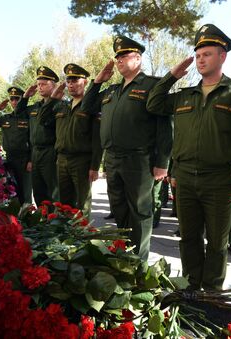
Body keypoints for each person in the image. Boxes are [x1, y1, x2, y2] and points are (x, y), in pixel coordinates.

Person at [146, 24, 231, 291]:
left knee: (218, 243)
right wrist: (172, 75)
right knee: (188, 238)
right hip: (184, 178)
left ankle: (212, 292)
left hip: (219, 179)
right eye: (198, 55)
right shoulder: (185, 95)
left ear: (222, 56)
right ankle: (190, 285)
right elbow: (153, 103)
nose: (200, 60)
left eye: (207, 54)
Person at [81, 36, 173, 260]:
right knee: (119, 209)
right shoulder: (111, 90)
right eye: (117, 57)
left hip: (139, 159)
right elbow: (87, 107)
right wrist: (97, 82)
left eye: (124, 55)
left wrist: (162, 163)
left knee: (140, 213)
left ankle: (139, 263)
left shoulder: (152, 85)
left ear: (138, 58)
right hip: (113, 159)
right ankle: (123, 256)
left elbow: (165, 127)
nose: (119, 60)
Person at [43, 63, 103, 216]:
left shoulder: (91, 106)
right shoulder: (62, 106)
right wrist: (52, 100)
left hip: (82, 160)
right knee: (63, 203)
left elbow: (97, 139)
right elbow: (43, 120)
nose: (71, 85)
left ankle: (82, 237)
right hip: (61, 160)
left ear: (85, 82)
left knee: (82, 203)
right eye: (68, 81)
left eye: (75, 81)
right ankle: (66, 236)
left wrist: (95, 166)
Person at [15, 66, 59, 205]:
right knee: (38, 191)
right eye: (38, 84)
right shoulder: (34, 107)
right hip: (35, 153)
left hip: (51, 152)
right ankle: (43, 222)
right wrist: (26, 97)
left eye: (44, 84)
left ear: (54, 86)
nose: (40, 87)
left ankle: (55, 222)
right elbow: (18, 113)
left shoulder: (60, 105)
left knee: (53, 192)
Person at [0, 86, 32, 204]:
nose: (14, 102)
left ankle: (29, 218)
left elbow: (33, 140)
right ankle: (17, 219)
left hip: (24, 159)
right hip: (10, 158)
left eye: (17, 99)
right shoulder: (6, 118)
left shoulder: (29, 117)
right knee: (13, 190)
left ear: (23, 99)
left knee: (25, 191)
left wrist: (31, 159)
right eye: (12, 99)